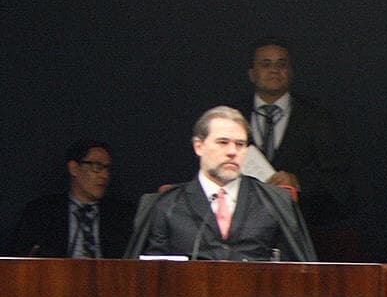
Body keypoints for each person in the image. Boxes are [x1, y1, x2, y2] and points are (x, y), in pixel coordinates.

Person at [131, 106, 316, 261]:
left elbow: (299, 271)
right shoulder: (166, 204)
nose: (232, 152)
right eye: (223, 142)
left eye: (240, 144)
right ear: (199, 146)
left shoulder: (275, 202)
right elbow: (150, 276)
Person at [242, 40, 356, 234]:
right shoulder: (232, 117)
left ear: (291, 72)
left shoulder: (317, 117)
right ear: (252, 73)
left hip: (303, 226)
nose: (274, 70)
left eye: (281, 64)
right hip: (243, 226)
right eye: (265, 64)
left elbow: (337, 176)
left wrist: (298, 181)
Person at [6, 139, 135, 257]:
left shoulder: (121, 214)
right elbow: (20, 257)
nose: (105, 175)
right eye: (97, 167)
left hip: (108, 274)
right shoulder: (42, 211)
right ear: (74, 168)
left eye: (107, 169)